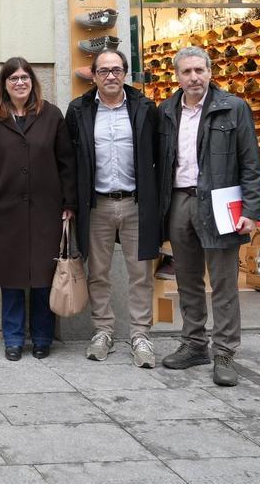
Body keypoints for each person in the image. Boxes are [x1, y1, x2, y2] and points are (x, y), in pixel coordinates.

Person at [158, 46, 260, 387]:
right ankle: (193, 343)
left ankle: (225, 352)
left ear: (209, 72)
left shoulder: (232, 108)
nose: (194, 78)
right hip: (180, 201)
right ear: (177, 76)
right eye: (187, 72)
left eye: (199, 71)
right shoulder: (167, 111)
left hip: (220, 203)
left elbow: (251, 164)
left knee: (223, 282)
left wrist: (252, 211)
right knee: (186, 279)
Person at [65, 48, 163, 369]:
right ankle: (103, 331)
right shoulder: (78, 110)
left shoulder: (145, 108)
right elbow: (69, 161)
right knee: (99, 273)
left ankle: (140, 335)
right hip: (97, 205)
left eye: (117, 70)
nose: (110, 76)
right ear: (93, 76)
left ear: (125, 74)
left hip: (135, 203)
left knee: (140, 273)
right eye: (104, 71)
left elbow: (160, 158)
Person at [0, 58, 76, 361]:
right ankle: (14, 338)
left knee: (44, 276)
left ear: (33, 81)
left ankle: (43, 338)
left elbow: (66, 162)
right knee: (12, 278)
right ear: (3, 84)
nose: (20, 83)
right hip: (5, 211)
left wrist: (68, 203)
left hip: (47, 209)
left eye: (24, 77)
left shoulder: (51, 115)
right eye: (13, 78)